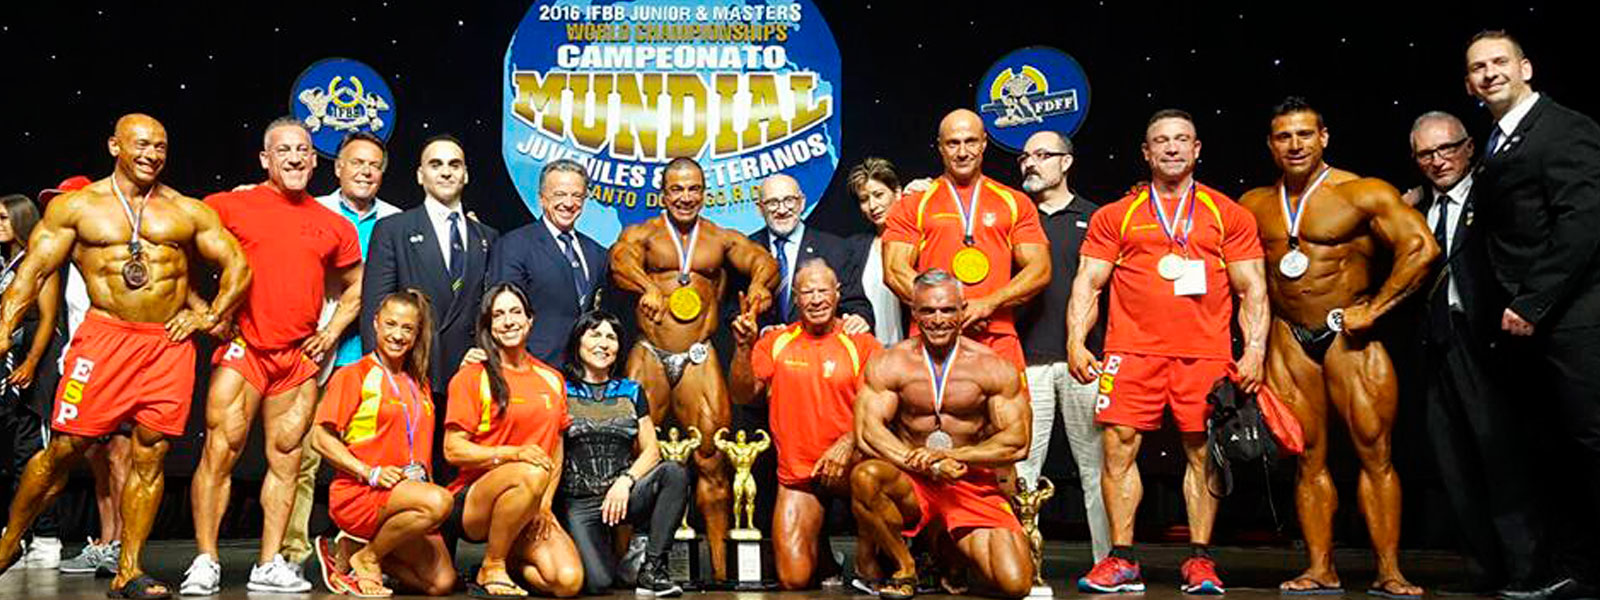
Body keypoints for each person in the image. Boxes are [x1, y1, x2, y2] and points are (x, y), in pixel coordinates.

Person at [0, 113, 251, 599]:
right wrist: (5, 326)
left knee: (151, 452)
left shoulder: (186, 210)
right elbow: (32, 272)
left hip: (166, 344)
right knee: (67, 448)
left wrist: (209, 315)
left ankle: (128, 570)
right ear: (114, 145)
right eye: (141, 144)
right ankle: (10, 540)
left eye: (160, 146)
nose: (151, 154)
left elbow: (237, 264)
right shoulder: (78, 207)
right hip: (105, 338)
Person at [1236, 98, 1436, 597]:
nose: (1295, 144)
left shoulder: (1361, 192)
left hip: (1349, 336)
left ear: (1323, 137)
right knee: (1307, 457)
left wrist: (1376, 308)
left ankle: (1390, 571)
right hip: (1289, 337)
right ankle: (1320, 568)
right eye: (1284, 136)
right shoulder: (1254, 204)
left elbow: (1421, 248)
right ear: (1270, 145)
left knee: (1376, 453)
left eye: (1305, 134)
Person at [1067, 109, 1268, 594]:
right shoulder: (1116, 215)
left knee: (1203, 452)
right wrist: (1075, 339)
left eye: (1181, 139)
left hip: (1205, 353)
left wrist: (1255, 350)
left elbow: (1253, 289)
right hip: (1130, 351)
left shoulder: (1228, 213)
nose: (1172, 148)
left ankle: (1199, 559)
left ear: (1196, 149)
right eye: (1161, 141)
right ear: (1146, 152)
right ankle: (1121, 558)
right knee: (1118, 449)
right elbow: (1088, 283)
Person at [184, 116, 363, 596]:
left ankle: (269, 564)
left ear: (315, 160)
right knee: (220, 451)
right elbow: (175, 251)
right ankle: (205, 560)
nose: (295, 158)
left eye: (303, 150)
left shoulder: (334, 225)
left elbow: (358, 283)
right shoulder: (230, 205)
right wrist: (205, 312)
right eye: (284, 150)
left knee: (286, 460)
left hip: (295, 357)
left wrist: (331, 332)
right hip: (245, 348)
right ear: (266, 159)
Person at [1467, 30, 1600, 597]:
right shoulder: (1496, 140)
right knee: (1554, 450)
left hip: (1572, 320)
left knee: (1590, 443)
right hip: (1532, 329)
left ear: (1526, 68)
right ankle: (1574, 571)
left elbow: (1584, 221)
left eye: (1500, 61)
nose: (1490, 72)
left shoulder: (1565, 128)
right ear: (1469, 84)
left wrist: (1531, 300)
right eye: (1478, 67)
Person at [608, 156, 778, 580]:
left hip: (698, 357)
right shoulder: (644, 234)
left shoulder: (719, 238)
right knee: (631, 457)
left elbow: (764, 262)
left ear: (704, 193)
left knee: (711, 459)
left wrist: (759, 284)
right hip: (649, 353)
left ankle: (721, 572)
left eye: (693, 189)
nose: (685, 197)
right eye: (677, 189)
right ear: (663, 194)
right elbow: (619, 261)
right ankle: (617, 569)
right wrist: (647, 284)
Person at [1406, 110, 1546, 595]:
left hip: (1489, 343)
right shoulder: (1413, 211)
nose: (1438, 160)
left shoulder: (1492, 198)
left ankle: (1529, 571)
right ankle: (1485, 570)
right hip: (1436, 345)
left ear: (1469, 148)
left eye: (1447, 148)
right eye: (1426, 153)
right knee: (1453, 463)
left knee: (1502, 458)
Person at [850, 269, 1033, 600]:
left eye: (947, 310)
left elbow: (1017, 441)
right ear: (914, 312)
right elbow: (867, 431)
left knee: (1015, 584)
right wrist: (924, 463)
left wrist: (952, 456)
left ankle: (946, 550)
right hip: (913, 482)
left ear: (963, 311)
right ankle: (906, 567)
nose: (938, 320)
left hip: (968, 482)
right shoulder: (891, 362)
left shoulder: (992, 366)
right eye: (928, 311)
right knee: (866, 476)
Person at [284, 130, 403, 576]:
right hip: (318, 352)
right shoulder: (311, 212)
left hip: (374, 358)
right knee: (303, 456)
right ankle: (291, 555)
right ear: (337, 168)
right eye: (357, 163)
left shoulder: (397, 220)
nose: (366, 172)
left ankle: (362, 554)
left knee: (371, 463)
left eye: (374, 165)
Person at [729, 259, 882, 590]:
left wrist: (848, 442)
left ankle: (869, 557)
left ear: (837, 293)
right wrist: (743, 348)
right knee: (793, 578)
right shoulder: (776, 341)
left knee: (873, 478)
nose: (816, 300)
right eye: (807, 292)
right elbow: (743, 394)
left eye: (823, 291)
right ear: (795, 298)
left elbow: (881, 410)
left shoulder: (861, 343)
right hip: (798, 474)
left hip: (853, 463)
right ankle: (824, 557)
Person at [309, 289, 455, 597]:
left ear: (416, 334)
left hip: (408, 498)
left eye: (407, 328)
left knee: (441, 584)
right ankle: (370, 558)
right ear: (375, 322)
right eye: (391, 324)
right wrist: (369, 472)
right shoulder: (354, 375)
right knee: (440, 501)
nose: (398, 335)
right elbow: (320, 438)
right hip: (364, 492)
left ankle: (355, 553)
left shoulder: (419, 383)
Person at [443, 283, 583, 598]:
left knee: (567, 582)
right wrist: (514, 454)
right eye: (498, 315)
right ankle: (491, 565)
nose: (508, 321)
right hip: (475, 502)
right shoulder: (472, 376)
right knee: (531, 471)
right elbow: (452, 450)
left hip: (531, 498)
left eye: (515, 312)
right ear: (489, 326)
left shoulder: (552, 378)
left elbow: (556, 446)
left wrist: (544, 503)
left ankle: (510, 561)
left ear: (529, 320)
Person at [883, 109, 1050, 370]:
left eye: (970, 141)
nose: (962, 152)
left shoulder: (1015, 202)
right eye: (953, 143)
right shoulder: (913, 203)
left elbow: (1040, 269)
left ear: (984, 143)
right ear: (940, 147)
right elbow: (894, 270)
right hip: (932, 340)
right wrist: (949, 313)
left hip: (996, 336)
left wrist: (988, 304)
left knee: (1009, 399)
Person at [1010, 130, 1111, 563]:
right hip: (1026, 360)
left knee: (1097, 470)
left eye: (1042, 155)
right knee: (1022, 472)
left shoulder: (1097, 218)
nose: (1030, 163)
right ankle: (1020, 566)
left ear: (1066, 162)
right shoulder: (1013, 217)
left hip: (1083, 361)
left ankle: (1109, 563)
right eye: (1025, 157)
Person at [32, 177, 129, 577]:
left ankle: (124, 545)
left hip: (117, 366)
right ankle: (105, 542)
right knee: (96, 460)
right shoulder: (67, 258)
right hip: (81, 366)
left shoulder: (109, 252)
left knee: (120, 457)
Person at [556, 310, 688, 597]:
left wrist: (625, 481)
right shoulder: (560, 390)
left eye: (611, 337)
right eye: (595, 335)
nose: (603, 343)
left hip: (624, 495)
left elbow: (652, 450)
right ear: (578, 342)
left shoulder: (631, 391)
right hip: (580, 503)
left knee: (674, 472)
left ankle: (652, 569)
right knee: (599, 583)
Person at [487, 159, 608, 366]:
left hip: (583, 370)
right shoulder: (514, 245)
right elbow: (503, 311)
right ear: (542, 198)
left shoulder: (596, 253)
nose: (568, 203)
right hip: (531, 367)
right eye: (559, 194)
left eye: (577, 195)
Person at [0, 193, 64, 569]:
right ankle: (19, 536)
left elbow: (48, 318)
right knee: (14, 453)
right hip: (10, 362)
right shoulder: (5, 263)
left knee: (35, 450)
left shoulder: (41, 259)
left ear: (21, 219)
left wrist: (32, 362)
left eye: (4, 218)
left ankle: (46, 536)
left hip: (35, 363)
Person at [741, 174, 872, 333]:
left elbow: (857, 306)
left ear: (802, 202)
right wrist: (763, 332)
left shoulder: (835, 248)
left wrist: (859, 318)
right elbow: (734, 310)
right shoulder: (745, 249)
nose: (782, 210)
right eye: (772, 203)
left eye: (789, 200)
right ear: (760, 208)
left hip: (820, 345)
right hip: (762, 346)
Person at [845, 158, 906, 347]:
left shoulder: (918, 242)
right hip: (869, 353)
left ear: (897, 193)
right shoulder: (853, 248)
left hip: (911, 353)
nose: (872, 206)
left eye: (879, 195)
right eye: (864, 199)